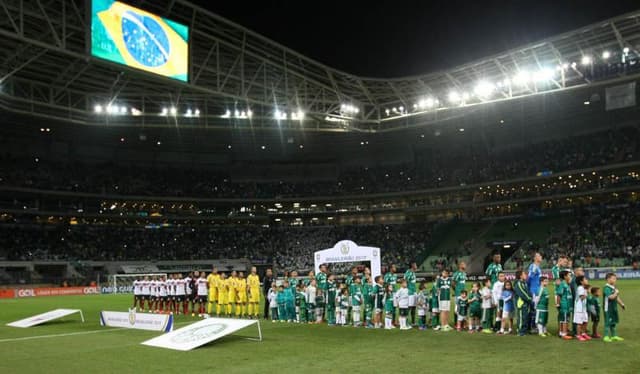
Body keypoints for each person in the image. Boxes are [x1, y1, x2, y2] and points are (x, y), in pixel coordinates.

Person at [603, 273, 626, 342]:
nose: (615, 280)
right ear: (608, 279)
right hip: (608, 309)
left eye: (615, 279)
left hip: (613, 308)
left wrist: (621, 304)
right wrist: (616, 293)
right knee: (608, 322)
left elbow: (616, 297)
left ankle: (614, 336)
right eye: (613, 278)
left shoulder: (613, 287)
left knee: (613, 322)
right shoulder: (606, 288)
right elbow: (610, 297)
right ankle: (606, 336)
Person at [513, 270, 533, 336]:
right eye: (524, 274)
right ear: (521, 276)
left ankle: (524, 330)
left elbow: (528, 291)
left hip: (526, 303)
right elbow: (522, 293)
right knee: (521, 317)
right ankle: (520, 331)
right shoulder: (518, 283)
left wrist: (531, 296)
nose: (526, 275)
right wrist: (529, 299)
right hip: (521, 303)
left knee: (525, 317)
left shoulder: (524, 283)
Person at [556, 271, 573, 340]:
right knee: (565, 319)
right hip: (564, 304)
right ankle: (564, 334)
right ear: (565, 276)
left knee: (563, 319)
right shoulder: (563, 284)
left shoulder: (566, 284)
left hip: (567, 304)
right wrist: (558, 304)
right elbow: (559, 295)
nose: (570, 277)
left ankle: (561, 332)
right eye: (569, 275)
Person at [527, 252, 543, 331]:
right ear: (535, 258)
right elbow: (529, 278)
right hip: (533, 291)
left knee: (536, 309)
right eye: (539, 256)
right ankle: (531, 326)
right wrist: (530, 289)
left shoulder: (538, 267)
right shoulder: (533, 267)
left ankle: (533, 325)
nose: (541, 257)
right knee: (534, 309)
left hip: (537, 291)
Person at [573, 275, 591, 341]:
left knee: (585, 321)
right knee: (579, 323)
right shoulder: (580, 288)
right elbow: (582, 297)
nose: (587, 280)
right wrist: (587, 291)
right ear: (581, 281)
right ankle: (578, 335)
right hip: (579, 308)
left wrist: (586, 290)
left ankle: (583, 333)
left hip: (583, 308)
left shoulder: (583, 288)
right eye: (585, 279)